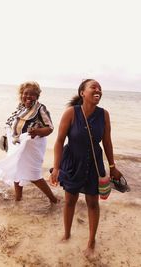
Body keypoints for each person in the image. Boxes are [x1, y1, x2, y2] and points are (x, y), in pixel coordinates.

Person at [49, 79, 122, 257]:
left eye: (100, 88)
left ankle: (91, 241)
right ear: (83, 92)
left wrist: (112, 166)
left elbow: (107, 142)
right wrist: (56, 167)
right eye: (93, 87)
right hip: (72, 161)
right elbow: (59, 141)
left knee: (92, 203)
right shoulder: (71, 113)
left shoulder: (104, 114)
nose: (98, 90)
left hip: (94, 163)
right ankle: (66, 235)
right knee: (70, 201)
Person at [0, 81, 58, 203]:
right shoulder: (20, 107)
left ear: (37, 96)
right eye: (25, 93)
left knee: (34, 175)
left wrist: (37, 131)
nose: (28, 96)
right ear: (21, 94)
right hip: (18, 146)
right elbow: (13, 123)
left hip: (32, 148)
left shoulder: (40, 108)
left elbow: (50, 128)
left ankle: (53, 199)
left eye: (32, 94)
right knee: (17, 171)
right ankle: (18, 199)